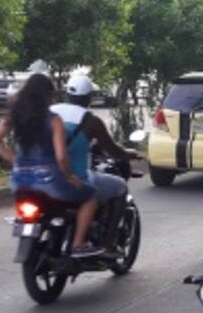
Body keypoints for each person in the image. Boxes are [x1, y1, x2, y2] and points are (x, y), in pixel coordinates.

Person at [0, 73, 101, 257]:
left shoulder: (16, 116)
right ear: (47, 96)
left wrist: (14, 160)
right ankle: (79, 243)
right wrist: (70, 177)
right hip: (50, 182)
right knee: (90, 197)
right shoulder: (54, 121)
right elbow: (61, 158)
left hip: (19, 182)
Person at [51, 75, 141, 253]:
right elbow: (111, 149)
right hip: (76, 176)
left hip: (47, 176)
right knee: (120, 187)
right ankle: (108, 243)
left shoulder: (51, 111)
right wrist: (129, 155)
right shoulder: (90, 121)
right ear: (88, 97)